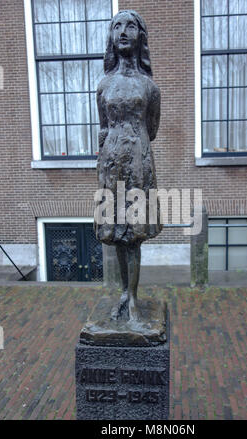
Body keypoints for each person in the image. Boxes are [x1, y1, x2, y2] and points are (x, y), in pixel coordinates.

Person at [94, 10, 162, 322]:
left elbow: (153, 129)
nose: (123, 31)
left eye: (130, 26)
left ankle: (132, 297)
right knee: (116, 234)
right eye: (117, 26)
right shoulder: (104, 85)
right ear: (111, 36)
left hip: (138, 163)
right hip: (110, 165)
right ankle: (124, 292)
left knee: (133, 234)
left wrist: (133, 147)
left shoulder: (150, 88)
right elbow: (103, 127)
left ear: (140, 36)